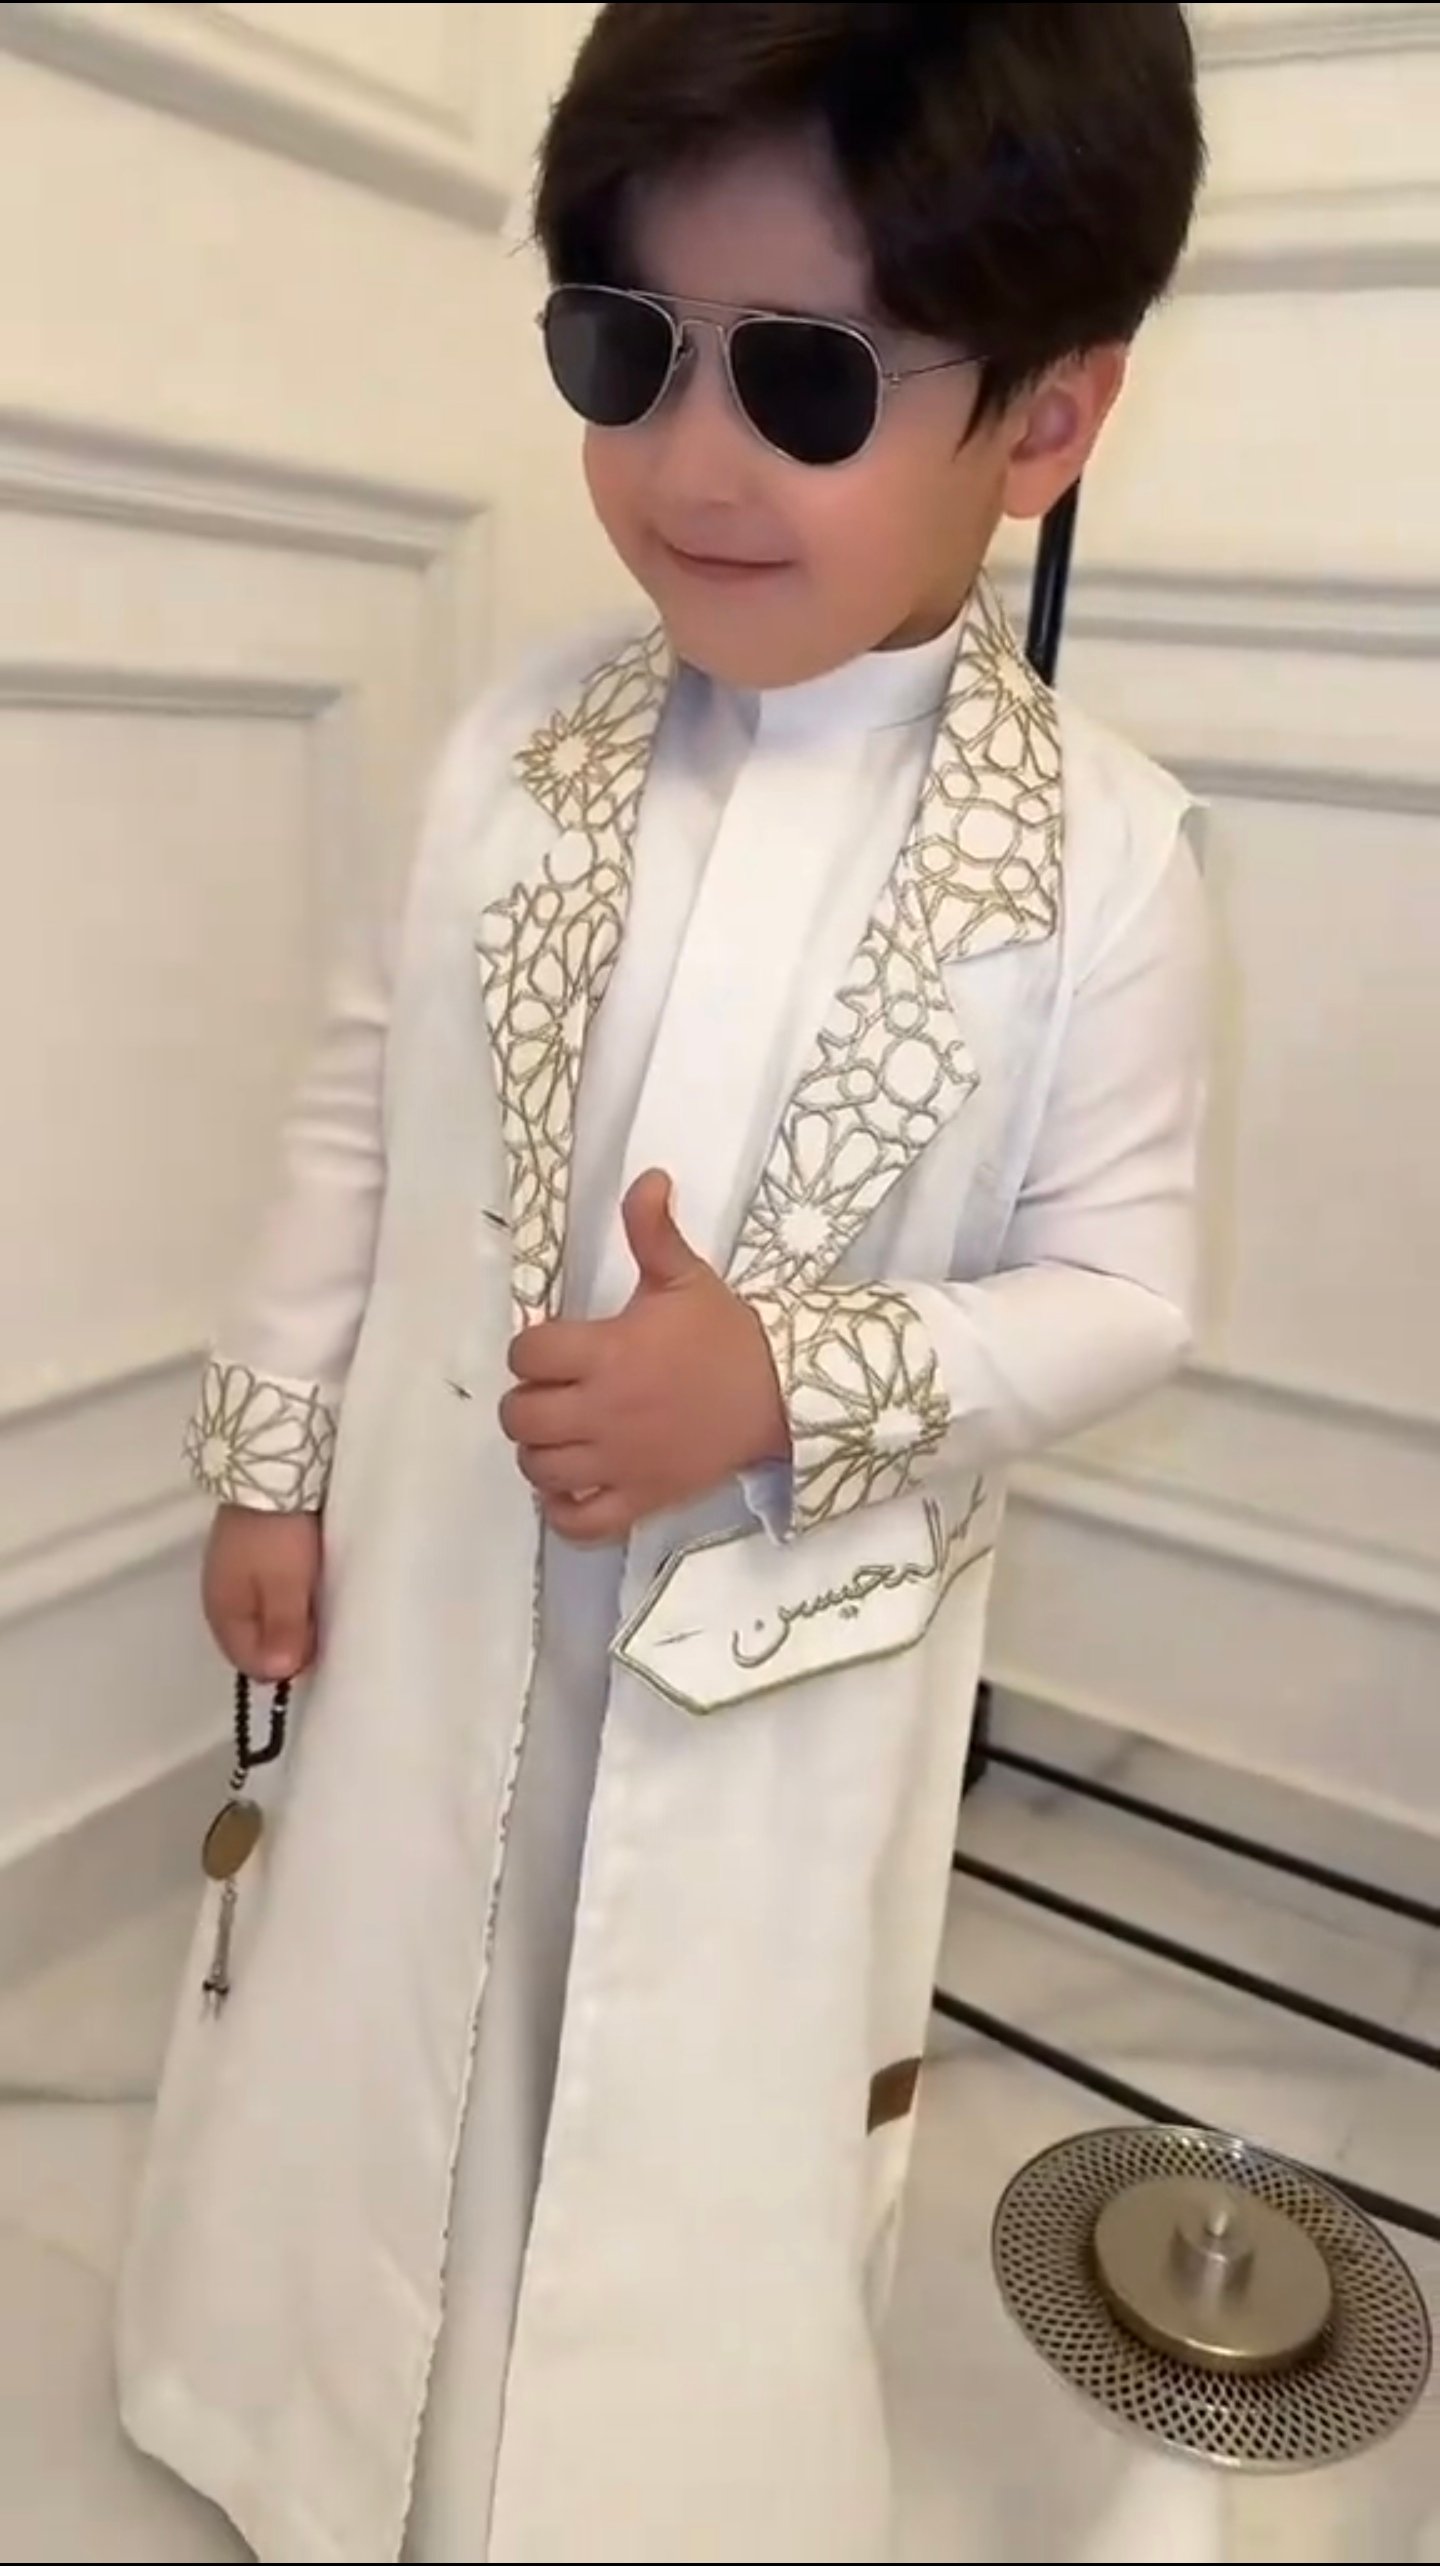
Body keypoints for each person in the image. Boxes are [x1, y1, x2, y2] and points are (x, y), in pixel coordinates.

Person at [117, 7, 1209, 2560]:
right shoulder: (509, 750)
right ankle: (314, 2429)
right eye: (630, 351)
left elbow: (1125, 1288)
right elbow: (358, 1107)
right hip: (440, 1579)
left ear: (1047, 420)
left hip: (778, 1669)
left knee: (674, 2072)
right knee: (401, 1975)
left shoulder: (1105, 861)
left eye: (805, 381)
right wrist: (272, 1458)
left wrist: (788, 1378)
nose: (689, 463)